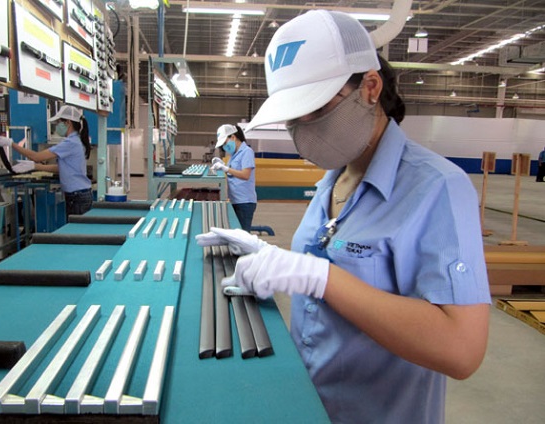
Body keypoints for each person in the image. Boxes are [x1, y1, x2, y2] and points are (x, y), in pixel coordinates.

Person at [196, 10, 490, 423]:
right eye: (291, 119)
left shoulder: (437, 188)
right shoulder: (333, 179)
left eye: (313, 111)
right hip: (311, 405)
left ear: (370, 87)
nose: (300, 132)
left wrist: (321, 278)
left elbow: (461, 349)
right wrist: (275, 257)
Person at [0, 104, 93, 218]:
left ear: (68, 123)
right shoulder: (76, 141)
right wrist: (34, 167)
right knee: (76, 232)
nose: (57, 126)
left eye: (59, 122)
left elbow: (37, 156)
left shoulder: (70, 143)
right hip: (78, 194)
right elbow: (61, 168)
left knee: (76, 232)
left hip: (77, 196)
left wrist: (11, 144)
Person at [211, 124, 257, 232]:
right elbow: (233, 174)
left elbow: (245, 175)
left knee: (242, 238)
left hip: (244, 202)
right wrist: (224, 166)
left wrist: (226, 168)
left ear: (233, 137)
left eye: (225, 143)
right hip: (235, 200)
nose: (225, 147)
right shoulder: (234, 155)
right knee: (237, 235)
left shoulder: (246, 152)